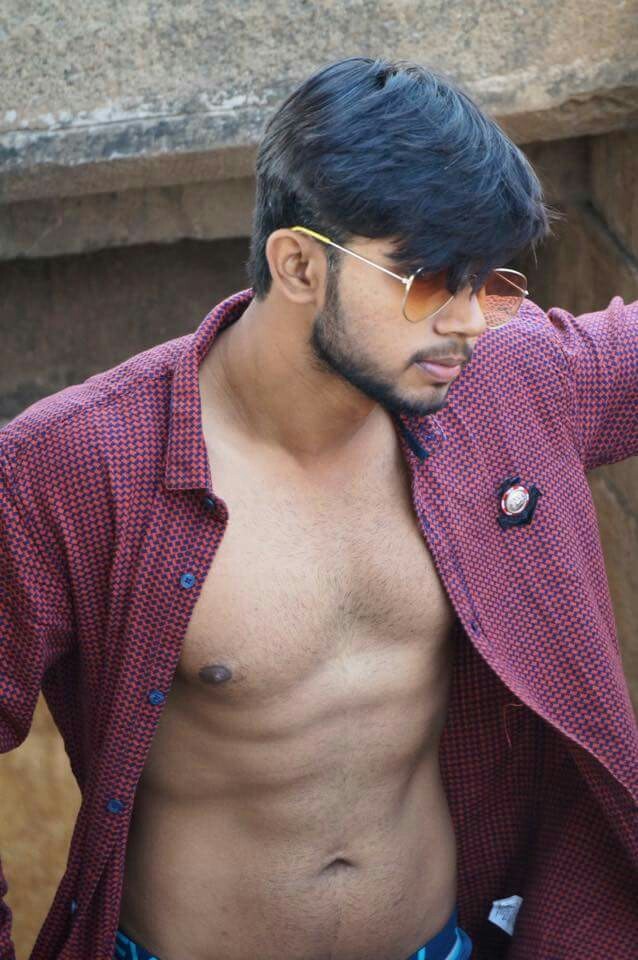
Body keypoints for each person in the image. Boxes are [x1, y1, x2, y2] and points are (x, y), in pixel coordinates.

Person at [0, 56, 636, 960]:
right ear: (298, 264)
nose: (466, 321)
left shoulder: (506, 384)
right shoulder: (75, 465)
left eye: (488, 281)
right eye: (426, 281)